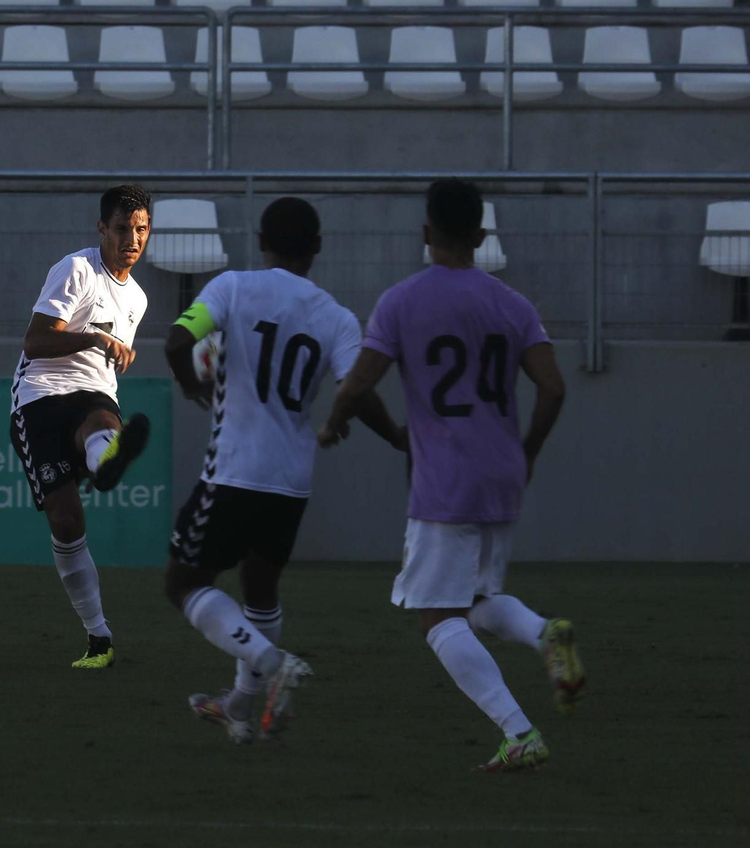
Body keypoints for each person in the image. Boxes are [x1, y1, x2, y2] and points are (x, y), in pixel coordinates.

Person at [321, 178, 585, 772]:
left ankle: (518, 732)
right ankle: (545, 633)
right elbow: (553, 386)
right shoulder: (513, 304)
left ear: (425, 233)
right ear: (483, 236)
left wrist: (335, 422)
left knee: (435, 616)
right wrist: (530, 451)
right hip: (501, 475)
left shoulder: (402, 300)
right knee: (477, 599)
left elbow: (359, 382)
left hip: (445, 481)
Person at [161, 197, 407, 744]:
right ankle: (241, 710)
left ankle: (275, 665)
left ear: (261, 240)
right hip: (290, 483)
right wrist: (394, 436)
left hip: (232, 473)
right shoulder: (336, 317)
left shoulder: (231, 288)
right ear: (317, 247)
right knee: (261, 591)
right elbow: (356, 389)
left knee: (183, 583)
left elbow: (177, 340)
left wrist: (190, 382)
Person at [7, 184, 155, 670]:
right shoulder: (76, 269)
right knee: (67, 523)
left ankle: (106, 457)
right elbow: (34, 341)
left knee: (101, 416)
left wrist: (101, 352)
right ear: (101, 229)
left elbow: (103, 373)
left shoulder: (138, 298)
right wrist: (95, 338)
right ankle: (99, 639)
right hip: (40, 399)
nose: (132, 239)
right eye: (122, 229)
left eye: (141, 230)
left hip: (94, 395)